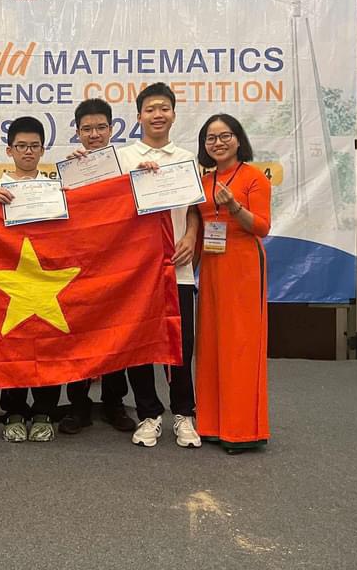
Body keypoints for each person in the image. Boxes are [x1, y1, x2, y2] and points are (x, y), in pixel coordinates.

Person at [116, 83, 201, 448]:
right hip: (136, 270)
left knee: (181, 344)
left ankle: (184, 414)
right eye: (150, 109)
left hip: (176, 266)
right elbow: (105, 205)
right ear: (139, 116)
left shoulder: (186, 158)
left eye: (164, 108)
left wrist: (191, 236)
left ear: (173, 114)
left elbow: (194, 210)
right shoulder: (123, 158)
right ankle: (148, 414)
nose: (157, 115)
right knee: (139, 345)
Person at [194, 114, 271, 454]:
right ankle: (211, 424)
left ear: (238, 139)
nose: (218, 143)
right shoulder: (203, 181)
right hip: (212, 266)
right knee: (210, 343)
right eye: (211, 138)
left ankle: (242, 430)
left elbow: (262, 227)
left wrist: (235, 207)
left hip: (243, 265)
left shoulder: (254, 177)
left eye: (225, 136)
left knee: (241, 344)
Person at [59, 98, 135, 435]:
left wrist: (146, 173)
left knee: (115, 332)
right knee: (78, 333)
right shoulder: (69, 168)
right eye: (87, 129)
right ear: (77, 132)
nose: (94, 134)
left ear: (112, 129)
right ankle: (77, 404)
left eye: (101, 127)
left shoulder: (126, 164)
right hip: (79, 265)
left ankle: (114, 402)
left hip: (117, 263)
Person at [0, 116, 61, 443]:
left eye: (34, 146)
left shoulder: (54, 189)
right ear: (9, 150)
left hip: (47, 280)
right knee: (12, 345)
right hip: (9, 282)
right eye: (21, 146)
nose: (28, 151)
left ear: (43, 150)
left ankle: (45, 411)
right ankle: (13, 412)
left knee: (48, 345)